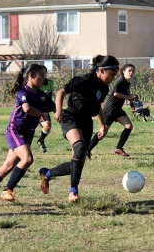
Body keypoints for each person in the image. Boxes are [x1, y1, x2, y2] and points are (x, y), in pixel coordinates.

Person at [38, 55, 119, 202]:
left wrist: (102, 125)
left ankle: (47, 173)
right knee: (80, 148)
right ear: (101, 70)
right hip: (71, 117)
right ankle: (73, 192)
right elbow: (61, 92)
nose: (113, 78)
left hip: (87, 122)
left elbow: (97, 106)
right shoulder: (83, 80)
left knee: (77, 163)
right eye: (112, 74)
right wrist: (58, 110)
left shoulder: (104, 87)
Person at [0, 64, 55, 208]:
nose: (43, 78)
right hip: (15, 131)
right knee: (27, 159)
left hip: (28, 134)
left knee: (7, 167)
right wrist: (42, 115)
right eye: (41, 75)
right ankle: (7, 190)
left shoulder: (42, 96)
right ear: (31, 75)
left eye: (44, 75)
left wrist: (61, 113)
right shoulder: (23, 92)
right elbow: (27, 108)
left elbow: (55, 107)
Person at [87, 63, 138, 159]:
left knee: (129, 126)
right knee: (103, 133)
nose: (131, 73)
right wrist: (129, 96)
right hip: (110, 110)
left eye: (133, 71)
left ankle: (118, 148)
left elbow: (125, 96)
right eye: (129, 71)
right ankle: (87, 151)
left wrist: (132, 103)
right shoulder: (121, 81)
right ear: (123, 72)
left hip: (117, 110)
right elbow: (115, 93)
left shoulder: (127, 83)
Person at [37, 66, 54, 153]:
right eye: (40, 73)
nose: (42, 75)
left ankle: (41, 140)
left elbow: (49, 99)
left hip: (43, 109)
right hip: (31, 108)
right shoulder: (33, 83)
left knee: (47, 126)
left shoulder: (50, 83)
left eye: (44, 73)